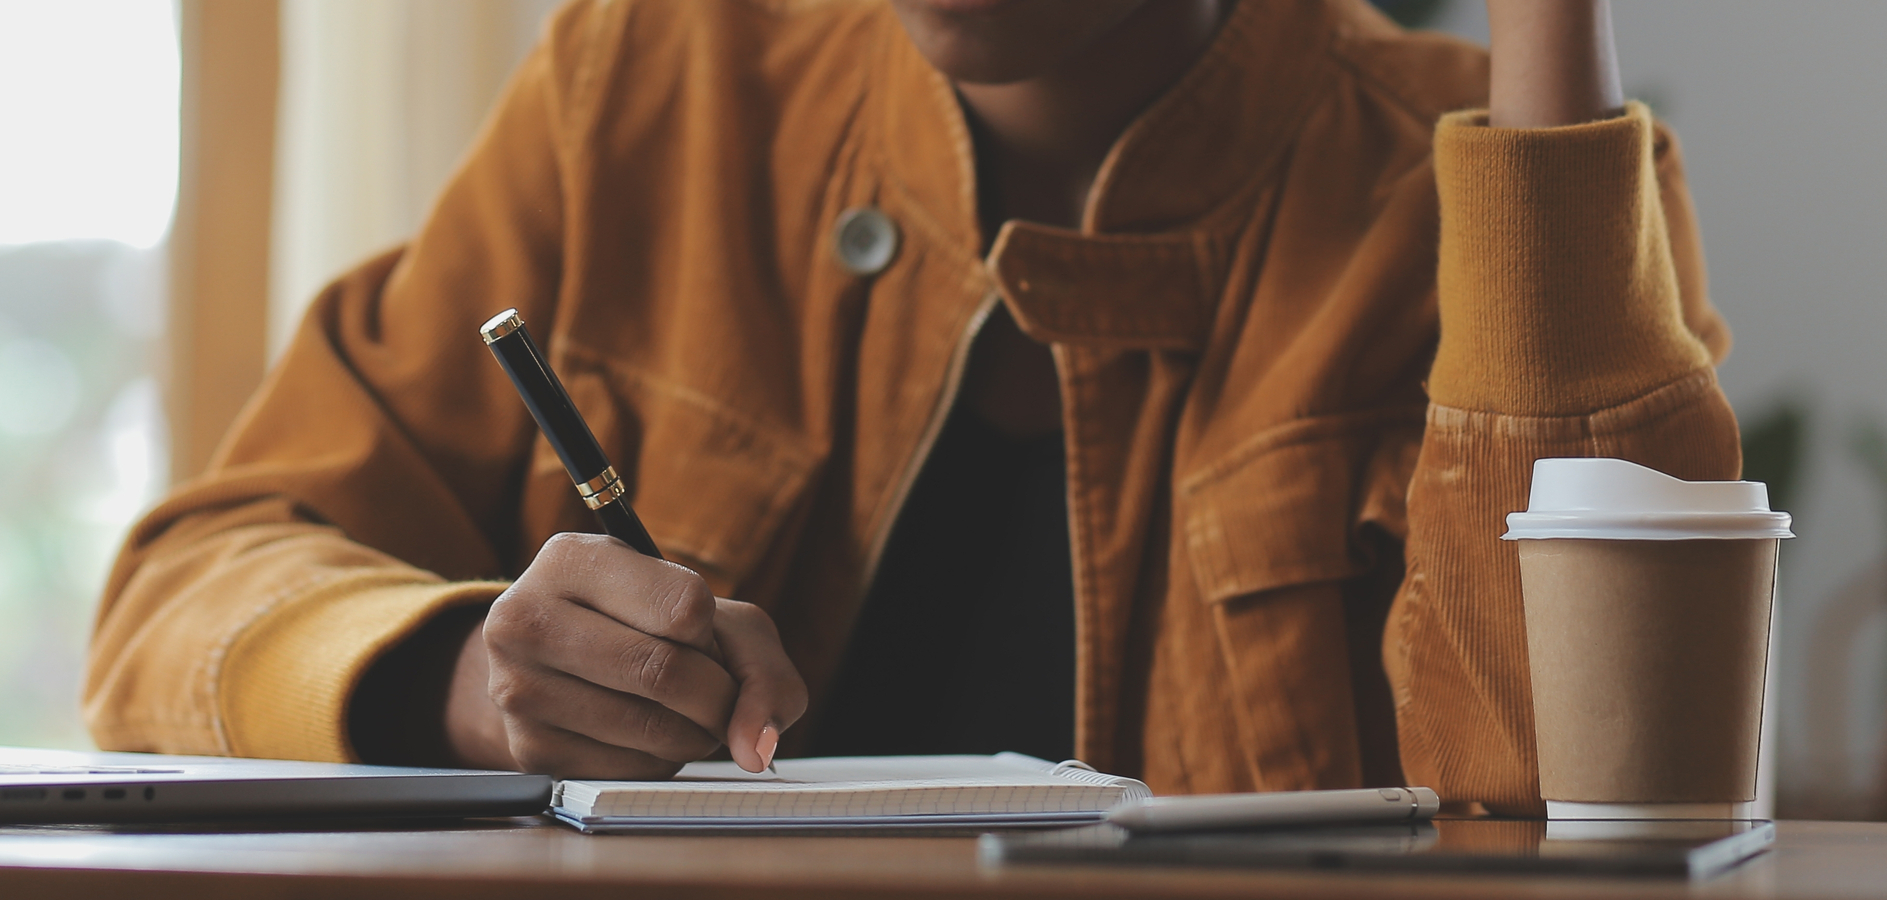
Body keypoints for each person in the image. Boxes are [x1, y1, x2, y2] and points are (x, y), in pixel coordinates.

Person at [86, 0, 1737, 814]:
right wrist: (458, 680)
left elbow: (1595, 803)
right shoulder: (658, 84)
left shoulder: (1504, 182)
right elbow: (191, 585)